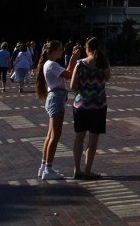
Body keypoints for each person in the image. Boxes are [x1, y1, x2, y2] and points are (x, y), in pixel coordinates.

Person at [35, 39, 80, 180]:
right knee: (55, 136)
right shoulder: (52, 65)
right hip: (56, 98)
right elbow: (69, 74)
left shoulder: (49, 64)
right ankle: (48, 169)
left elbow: (66, 73)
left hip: (54, 97)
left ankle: (44, 167)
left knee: (50, 135)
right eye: (60, 49)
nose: (62, 51)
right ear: (54, 51)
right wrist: (73, 59)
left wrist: (72, 59)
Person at [70, 37, 111, 180]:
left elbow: (72, 86)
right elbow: (108, 78)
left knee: (79, 138)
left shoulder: (80, 64)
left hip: (81, 105)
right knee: (93, 141)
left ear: (87, 48)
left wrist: (83, 87)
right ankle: (87, 171)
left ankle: (77, 169)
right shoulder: (103, 62)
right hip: (98, 106)